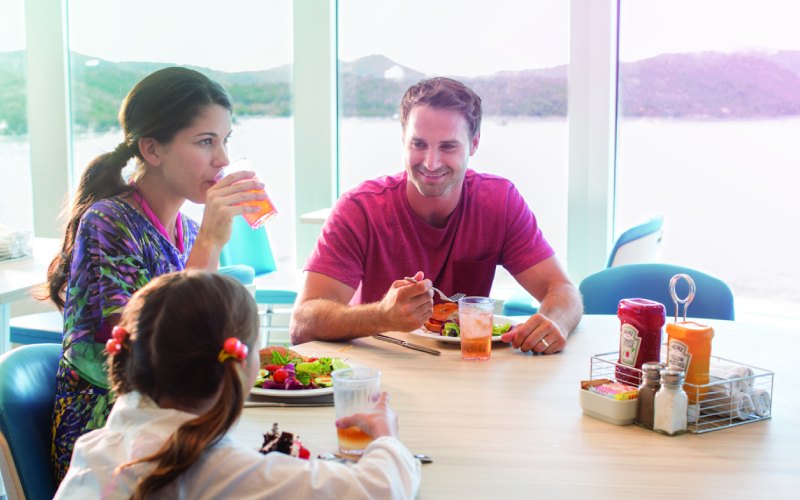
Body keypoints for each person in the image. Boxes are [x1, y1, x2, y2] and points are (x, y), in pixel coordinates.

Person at [45, 66, 268, 482]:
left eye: (225, 142)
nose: (222, 161)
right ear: (152, 150)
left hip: (175, 419)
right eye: (205, 142)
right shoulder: (107, 222)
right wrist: (210, 244)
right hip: (111, 438)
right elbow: (143, 363)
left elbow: (206, 333)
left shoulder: (183, 228)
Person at [54, 271, 421, 499]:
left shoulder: (95, 446)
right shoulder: (220, 471)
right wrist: (386, 438)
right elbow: (380, 490)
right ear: (240, 362)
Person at [291, 77, 582, 352]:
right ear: (403, 139)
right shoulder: (360, 209)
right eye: (418, 144)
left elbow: (562, 290)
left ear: (475, 144)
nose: (431, 163)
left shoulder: (499, 202)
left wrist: (554, 321)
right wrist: (382, 315)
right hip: (379, 371)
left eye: (448, 146)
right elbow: (302, 322)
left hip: (469, 369)